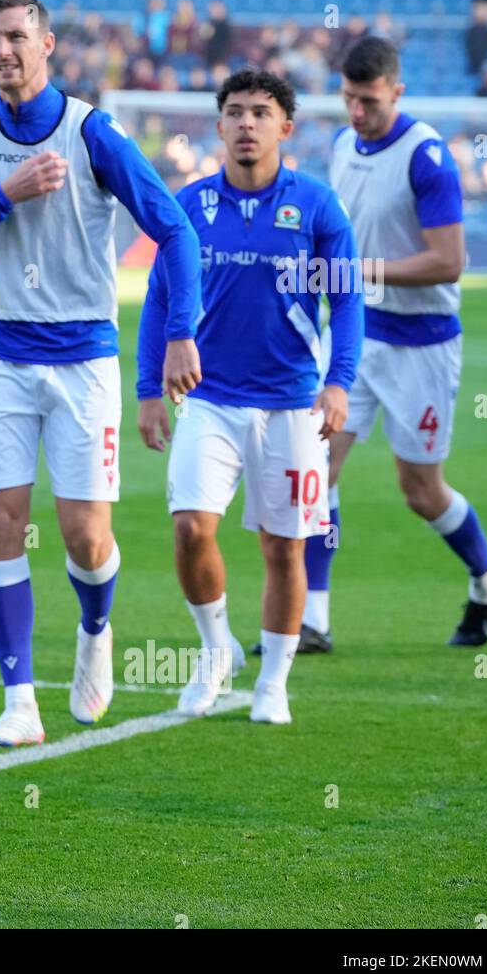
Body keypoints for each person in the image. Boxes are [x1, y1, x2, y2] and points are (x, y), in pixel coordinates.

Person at [0, 0, 201, 747]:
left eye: (17, 37)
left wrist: (179, 334)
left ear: (47, 44)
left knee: (85, 536)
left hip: (82, 354)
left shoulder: (93, 132)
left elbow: (175, 231)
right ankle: (19, 701)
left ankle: (95, 629)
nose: (3, 53)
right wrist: (1, 196)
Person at [138, 69, 364, 724]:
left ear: (285, 128)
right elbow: (159, 300)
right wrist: (149, 389)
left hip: (293, 403)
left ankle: (273, 682)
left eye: (260, 113)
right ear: (218, 125)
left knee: (284, 547)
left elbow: (347, 301)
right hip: (210, 400)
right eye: (234, 112)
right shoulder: (190, 207)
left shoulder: (317, 206)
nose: (246, 124)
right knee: (188, 529)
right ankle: (216, 651)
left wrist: (339, 381)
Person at [313, 36, 487, 650]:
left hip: (422, 344)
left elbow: (449, 260)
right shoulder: (343, 145)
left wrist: (361, 270)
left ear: (396, 92)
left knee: (420, 491)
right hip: (355, 334)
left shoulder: (426, 156)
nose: (356, 112)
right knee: (315, 464)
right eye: (348, 98)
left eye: (368, 101)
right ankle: (312, 620)